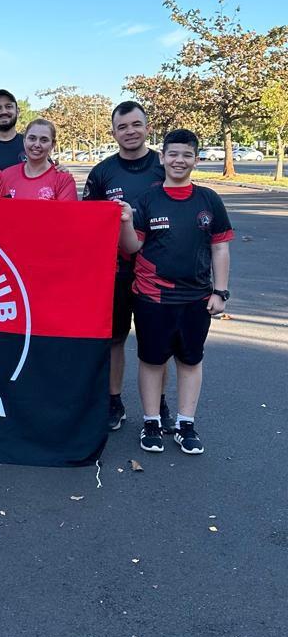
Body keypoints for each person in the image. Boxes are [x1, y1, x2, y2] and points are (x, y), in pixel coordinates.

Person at [118, 129, 233, 457]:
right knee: (151, 361)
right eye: (173, 154)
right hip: (152, 298)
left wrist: (220, 292)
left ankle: (186, 424)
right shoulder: (148, 200)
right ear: (162, 158)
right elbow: (132, 246)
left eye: (186, 155)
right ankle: (151, 422)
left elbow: (220, 248)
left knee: (190, 360)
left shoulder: (208, 199)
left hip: (196, 298)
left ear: (196, 160)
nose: (179, 161)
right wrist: (126, 220)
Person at [82, 100, 170, 433]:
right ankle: (113, 402)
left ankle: (158, 406)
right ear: (113, 132)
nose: (130, 132)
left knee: (156, 346)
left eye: (136, 125)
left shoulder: (164, 168)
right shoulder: (102, 172)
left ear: (148, 127)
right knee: (115, 339)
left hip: (157, 273)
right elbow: (86, 225)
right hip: (115, 273)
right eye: (122, 127)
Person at [3, 119, 78, 200]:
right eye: (32, 138)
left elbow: (67, 212)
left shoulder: (63, 180)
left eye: (44, 140)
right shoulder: (6, 175)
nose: (37, 144)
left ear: (53, 145)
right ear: (24, 141)